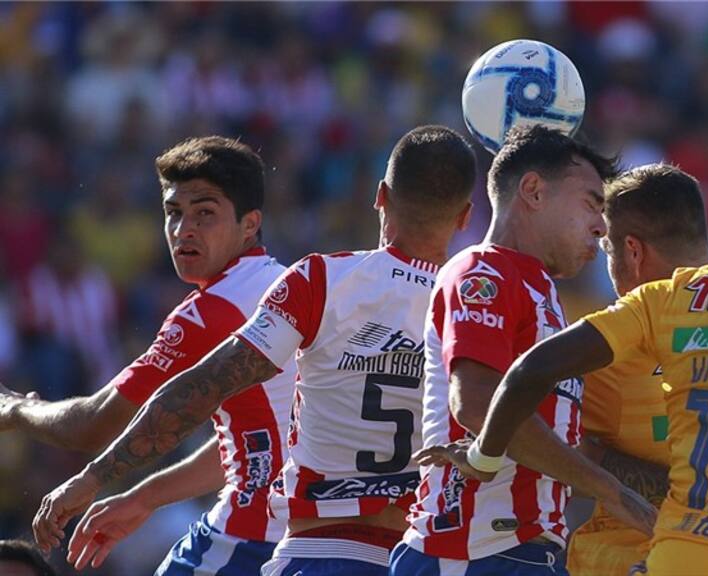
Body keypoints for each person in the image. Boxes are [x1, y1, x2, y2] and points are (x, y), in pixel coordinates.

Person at [33, 125, 478, 575]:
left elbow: (201, 390)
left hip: (314, 550)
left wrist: (93, 476)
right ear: (464, 216)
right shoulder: (473, 309)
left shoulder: (322, 283)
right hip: (413, 557)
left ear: (380, 197)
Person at [442, 167, 708, 575]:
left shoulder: (641, 318)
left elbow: (533, 424)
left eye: (607, 249)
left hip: (646, 557)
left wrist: (483, 454)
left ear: (632, 250)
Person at [2, 136, 294, 574]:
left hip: (252, 538)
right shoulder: (290, 286)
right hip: (312, 538)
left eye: (205, 214)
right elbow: (251, 445)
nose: (184, 230)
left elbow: (93, 423)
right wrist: (143, 498)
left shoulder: (209, 313)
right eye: (173, 213)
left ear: (250, 224)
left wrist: (16, 409)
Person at [391, 126, 657, 576]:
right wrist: (612, 492)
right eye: (592, 202)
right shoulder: (486, 271)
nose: (600, 225)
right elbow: (477, 403)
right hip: (473, 553)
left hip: (524, 551)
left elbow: (562, 444)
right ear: (533, 190)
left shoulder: (545, 294)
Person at [565, 164, 708, 575]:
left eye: (608, 251)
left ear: (633, 250)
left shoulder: (603, 348)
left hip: (620, 560)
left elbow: (546, 449)